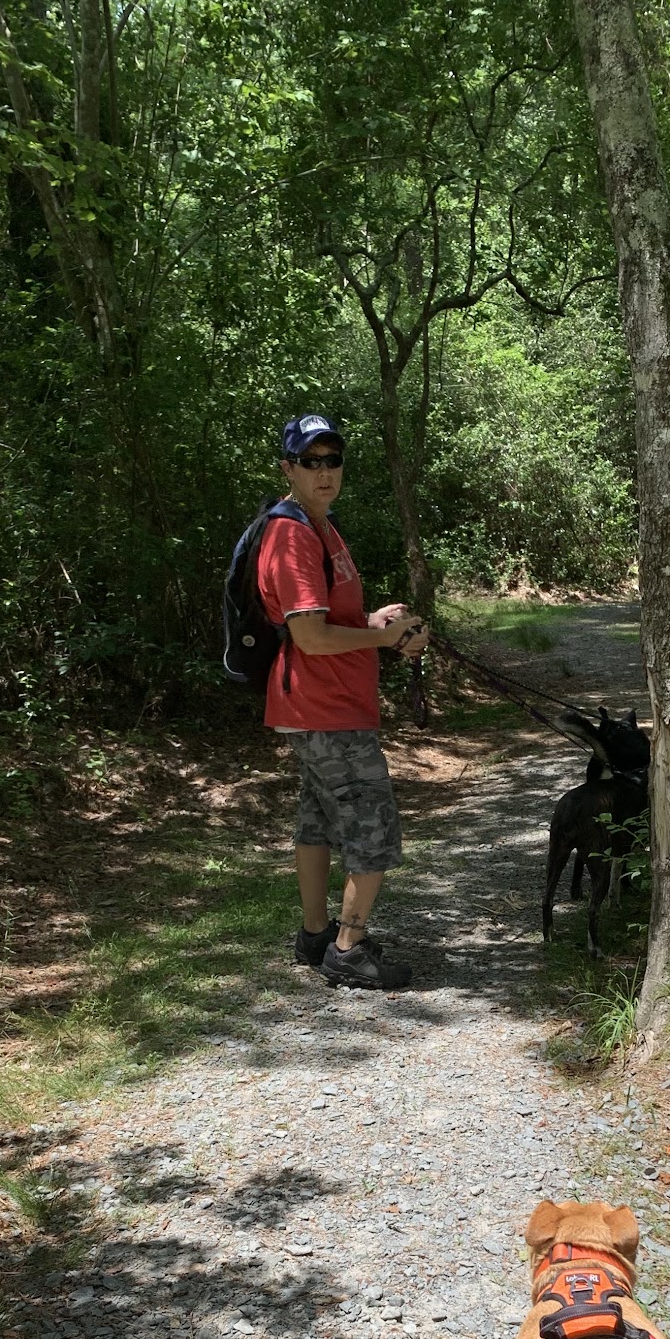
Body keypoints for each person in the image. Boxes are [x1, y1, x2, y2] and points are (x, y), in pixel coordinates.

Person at [256, 413, 429, 990]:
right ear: (289, 468)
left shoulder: (321, 525)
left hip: (317, 708)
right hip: (325, 708)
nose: (325, 471)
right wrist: (381, 639)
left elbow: (333, 621)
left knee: (316, 821)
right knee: (371, 826)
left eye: (332, 461)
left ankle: (315, 935)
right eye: (311, 462)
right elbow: (309, 635)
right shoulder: (294, 535)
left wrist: (378, 622)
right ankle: (348, 949)